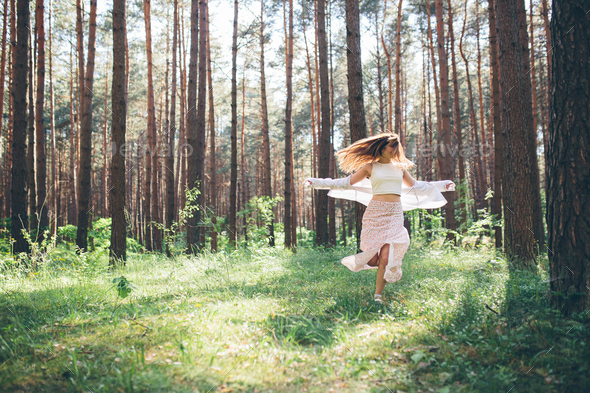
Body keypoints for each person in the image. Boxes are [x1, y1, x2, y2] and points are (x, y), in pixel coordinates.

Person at [304, 133, 455, 304]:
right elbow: (345, 183)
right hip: (375, 213)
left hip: (395, 214)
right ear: (382, 148)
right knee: (373, 259)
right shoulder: (370, 167)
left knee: (385, 258)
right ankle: (365, 261)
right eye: (392, 146)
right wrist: (316, 182)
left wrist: (443, 185)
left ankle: (378, 296)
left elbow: (417, 185)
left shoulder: (399, 168)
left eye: (396, 147)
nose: (395, 150)